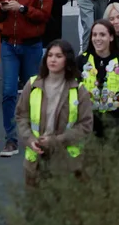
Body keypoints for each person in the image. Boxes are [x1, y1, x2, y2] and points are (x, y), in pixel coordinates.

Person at [0, 0, 53, 158]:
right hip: (9, 44)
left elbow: (45, 14)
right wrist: (2, 9)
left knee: (34, 93)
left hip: (31, 44)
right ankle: (11, 139)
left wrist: (22, 9)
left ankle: (34, 136)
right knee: (9, 91)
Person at [15, 40, 94, 187]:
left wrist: (58, 140)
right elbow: (21, 116)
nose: (52, 59)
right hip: (36, 160)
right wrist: (30, 139)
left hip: (66, 161)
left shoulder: (78, 90)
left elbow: (85, 126)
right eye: (50, 55)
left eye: (58, 56)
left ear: (67, 60)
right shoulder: (32, 85)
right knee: (36, 206)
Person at [79, 20, 119, 143]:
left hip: (116, 125)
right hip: (88, 125)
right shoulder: (81, 61)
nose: (97, 39)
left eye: (102, 35)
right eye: (94, 35)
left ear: (111, 37)